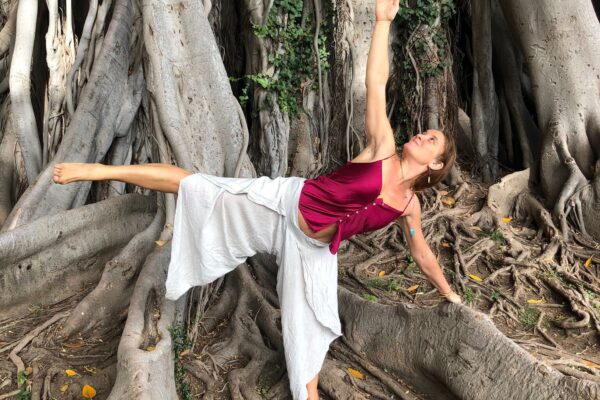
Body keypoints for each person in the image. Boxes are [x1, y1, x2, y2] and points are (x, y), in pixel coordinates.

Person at [52, 0, 461, 398]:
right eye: (426, 133)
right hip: (283, 207)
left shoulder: (409, 207)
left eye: (432, 140)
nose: (422, 136)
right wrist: (382, 22)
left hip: (315, 252)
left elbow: (422, 253)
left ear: (435, 165)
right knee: (197, 187)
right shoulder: (382, 149)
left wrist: (448, 293)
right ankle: (98, 170)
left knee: (310, 334)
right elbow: (376, 83)